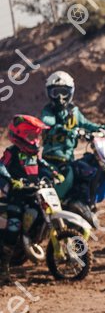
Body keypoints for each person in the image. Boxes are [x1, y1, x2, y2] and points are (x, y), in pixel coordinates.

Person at [0, 116, 63, 283]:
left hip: (33, 194)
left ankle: (32, 240)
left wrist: (55, 173)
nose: (35, 140)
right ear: (19, 136)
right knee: (13, 226)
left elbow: (43, 165)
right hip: (16, 196)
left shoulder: (34, 154)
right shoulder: (11, 152)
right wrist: (11, 180)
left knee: (40, 214)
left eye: (36, 136)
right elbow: (1, 167)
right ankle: (3, 267)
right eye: (31, 136)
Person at [40, 71, 105, 199]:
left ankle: (86, 201)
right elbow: (47, 123)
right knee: (68, 176)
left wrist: (103, 129)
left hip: (69, 159)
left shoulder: (74, 112)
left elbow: (87, 124)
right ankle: (59, 201)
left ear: (70, 93)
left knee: (87, 171)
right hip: (51, 160)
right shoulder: (48, 111)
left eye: (64, 92)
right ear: (49, 93)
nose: (60, 97)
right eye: (56, 92)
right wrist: (66, 131)